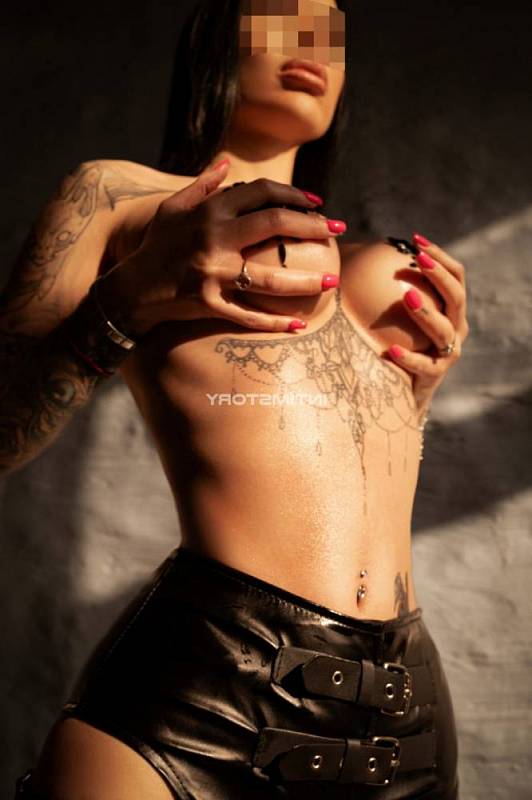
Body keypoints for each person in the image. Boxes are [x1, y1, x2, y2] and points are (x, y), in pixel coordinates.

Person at [5, 0, 470, 797]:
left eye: (332, 31)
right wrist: (126, 302)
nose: (313, 43)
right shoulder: (118, 198)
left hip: (406, 711)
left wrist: (413, 403)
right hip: (205, 688)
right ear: (220, 37)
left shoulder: (370, 259)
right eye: (282, 14)